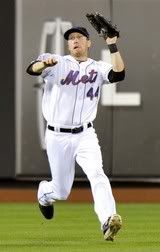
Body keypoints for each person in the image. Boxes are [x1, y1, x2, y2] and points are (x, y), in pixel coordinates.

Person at [26, 26, 125, 241]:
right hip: (57, 135)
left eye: (79, 37)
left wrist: (112, 44)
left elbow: (119, 74)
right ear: (67, 44)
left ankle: (108, 221)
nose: (74, 40)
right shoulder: (57, 62)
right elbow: (31, 69)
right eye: (70, 38)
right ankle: (44, 193)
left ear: (89, 43)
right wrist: (45, 63)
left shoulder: (98, 68)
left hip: (85, 134)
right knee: (62, 191)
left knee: (97, 174)